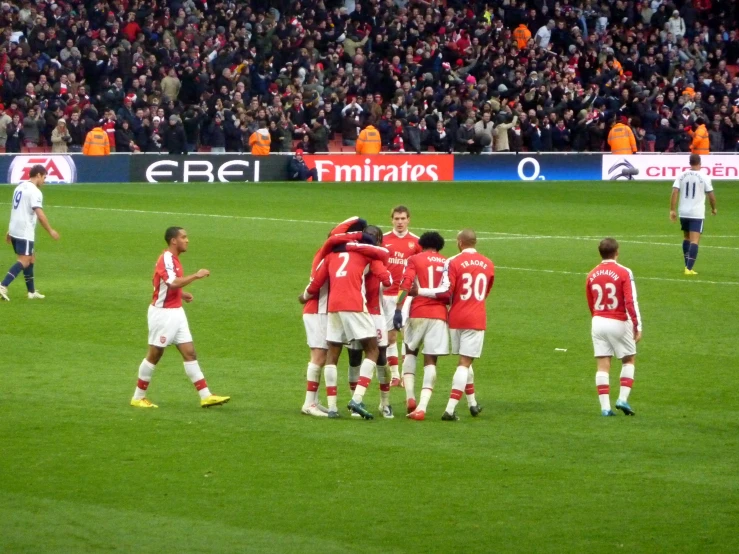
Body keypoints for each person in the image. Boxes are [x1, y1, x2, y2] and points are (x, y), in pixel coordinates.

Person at [130, 227, 230, 409]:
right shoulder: (166, 258)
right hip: (163, 314)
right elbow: (172, 282)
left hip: (176, 312)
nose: (187, 240)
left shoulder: (174, 259)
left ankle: (206, 396)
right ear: (173, 241)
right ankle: (138, 397)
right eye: (184, 237)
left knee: (189, 352)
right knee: (155, 354)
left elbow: (165, 284)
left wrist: (181, 294)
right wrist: (196, 276)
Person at [299, 230, 390, 419]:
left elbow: (316, 283)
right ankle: (357, 398)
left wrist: (303, 296)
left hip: (333, 307)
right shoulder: (368, 254)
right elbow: (387, 280)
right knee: (373, 351)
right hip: (355, 305)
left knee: (333, 352)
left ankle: (332, 407)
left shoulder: (331, 255)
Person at [416, 230, 494, 421]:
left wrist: (421, 291)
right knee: (465, 363)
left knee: (464, 363)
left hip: (455, 317)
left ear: (460, 242)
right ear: (475, 242)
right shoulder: (489, 264)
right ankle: (450, 410)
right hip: (476, 317)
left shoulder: (452, 261)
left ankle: (472, 403)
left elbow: (445, 292)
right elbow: (486, 291)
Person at [299, 216, 366, 417]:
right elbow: (336, 236)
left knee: (324, 355)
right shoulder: (327, 251)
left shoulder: (331, 254)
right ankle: (308, 403)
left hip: (324, 310)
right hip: (316, 310)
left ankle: (314, 401)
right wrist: (358, 222)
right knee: (319, 356)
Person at [393, 231, 449, 419]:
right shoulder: (447, 262)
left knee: (410, 352)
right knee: (431, 360)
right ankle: (422, 408)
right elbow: (449, 293)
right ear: (439, 245)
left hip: (418, 312)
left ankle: (410, 397)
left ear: (422, 244)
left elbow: (405, 285)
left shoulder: (415, 259)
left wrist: (398, 308)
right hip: (439, 315)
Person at [586, 238, 642, 417]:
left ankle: (605, 408)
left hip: (598, 321)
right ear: (617, 252)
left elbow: (590, 301)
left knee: (603, 365)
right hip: (618, 320)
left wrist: (596, 318)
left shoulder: (591, 274)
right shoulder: (624, 272)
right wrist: (637, 324)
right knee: (628, 359)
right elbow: (630, 300)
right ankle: (622, 399)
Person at [0, 165, 60, 302]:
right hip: (24, 230)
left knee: (31, 257)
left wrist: (10, 230)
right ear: (38, 175)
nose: (45, 181)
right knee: (24, 260)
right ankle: (3, 285)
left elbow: (16, 209)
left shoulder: (20, 187)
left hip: (15, 228)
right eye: (44, 177)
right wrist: (50, 230)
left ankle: (31, 292)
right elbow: (39, 214)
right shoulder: (35, 192)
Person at [381, 206, 422, 387]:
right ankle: (395, 375)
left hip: (406, 295)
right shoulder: (383, 240)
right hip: (385, 294)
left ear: (408, 220)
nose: (399, 222)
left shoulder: (416, 242)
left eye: (403, 218)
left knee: (408, 335)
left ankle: (406, 375)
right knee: (390, 337)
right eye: (396, 218)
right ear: (392, 220)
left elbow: (421, 269)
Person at [670, 154, 717, 275]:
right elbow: (711, 195)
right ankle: (689, 268)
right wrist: (714, 208)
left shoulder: (681, 175)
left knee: (686, 237)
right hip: (696, 213)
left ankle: (687, 265)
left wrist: (672, 209)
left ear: (689, 163)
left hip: (683, 212)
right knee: (694, 241)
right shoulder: (704, 176)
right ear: (700, 163)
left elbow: (675, 191)